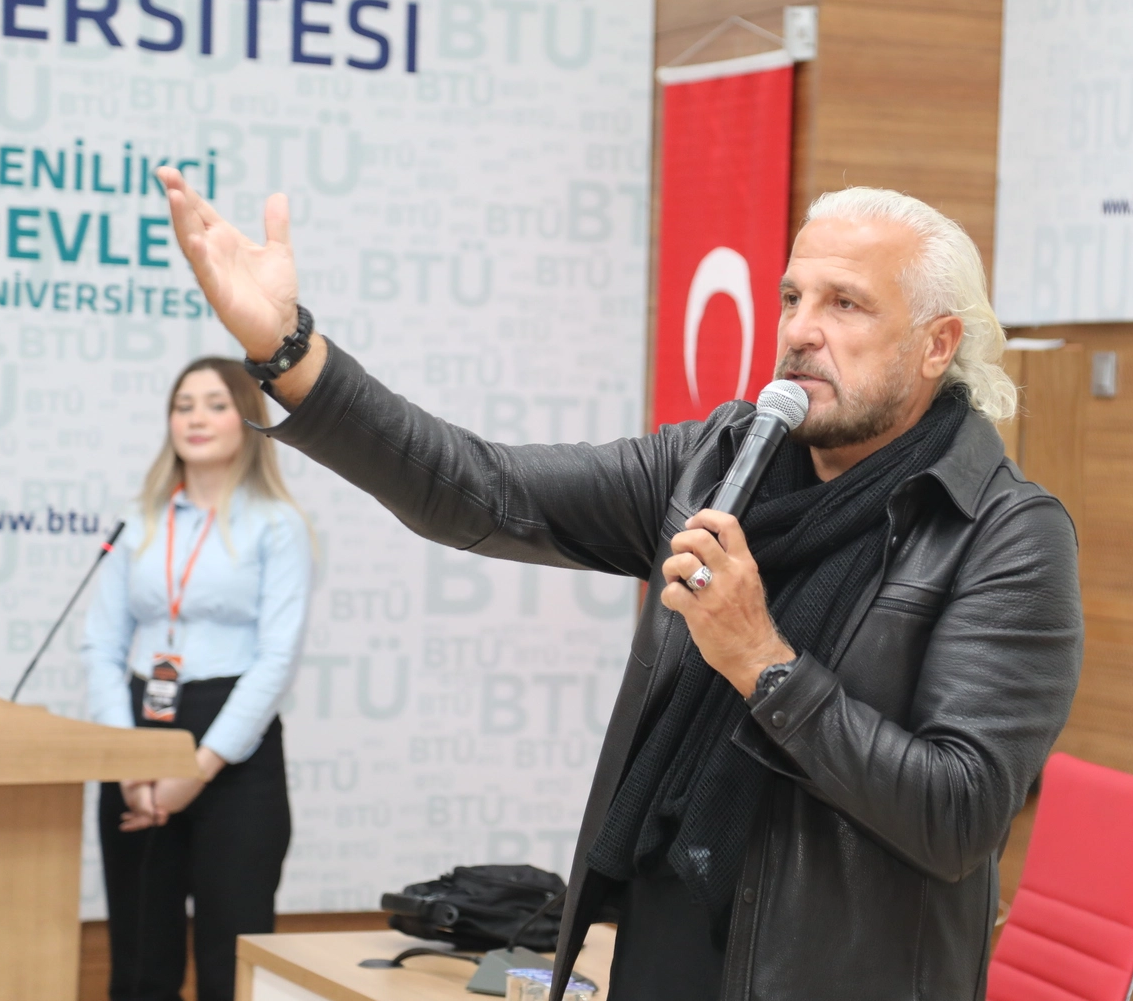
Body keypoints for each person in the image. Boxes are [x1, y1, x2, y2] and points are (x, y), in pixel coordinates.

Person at [157, 166, 1083, 1000]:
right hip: (660, 940)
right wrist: (290, 351)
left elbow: (959, 815)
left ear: (936, 345)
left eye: (846, 305)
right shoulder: (718, 462)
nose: (801, 330)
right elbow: (482, 488)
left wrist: (763, 661)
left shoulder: (1004, 533)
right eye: (793, 296)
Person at [82, 357, 313, 1001]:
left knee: (228, 963)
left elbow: (277, 659)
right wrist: (127, 763)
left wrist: (199, 768)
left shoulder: (277, 524)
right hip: (139, 734)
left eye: (215, 404)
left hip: (234, 748)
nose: (196, 418)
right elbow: (101, 644)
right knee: (139, 963)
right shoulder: (139, 518)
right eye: (183, 405)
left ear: (248, 420)